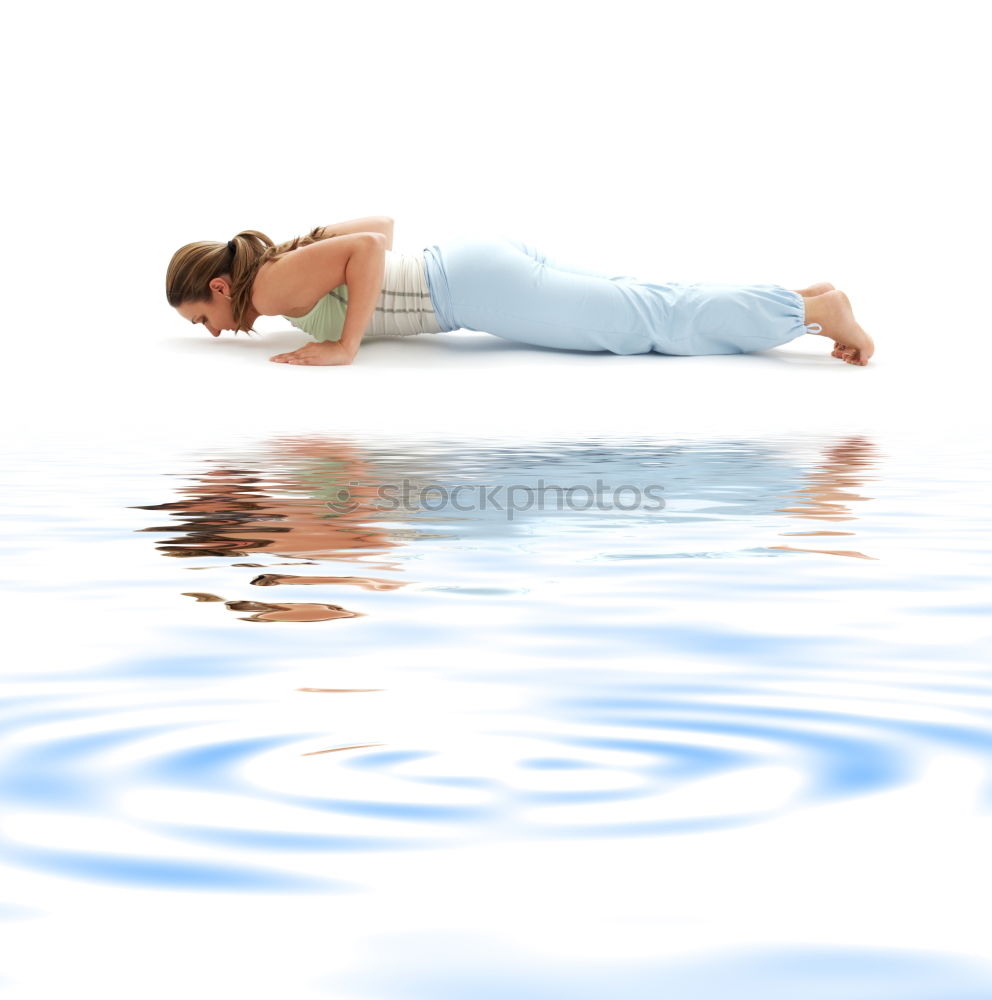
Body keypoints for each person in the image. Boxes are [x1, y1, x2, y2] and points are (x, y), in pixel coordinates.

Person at [166, 216, 874, 367]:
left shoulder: (277, 286)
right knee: (647, 303)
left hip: (472, 290)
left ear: (222, 287)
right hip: (479, 269)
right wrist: (312, 241)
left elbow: (367, 247)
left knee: (644, 327)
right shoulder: (282, 273)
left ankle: (811, 312)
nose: (212, 329)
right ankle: (804, 299)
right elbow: (378, 228)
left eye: (204, 316)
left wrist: (344, 346)